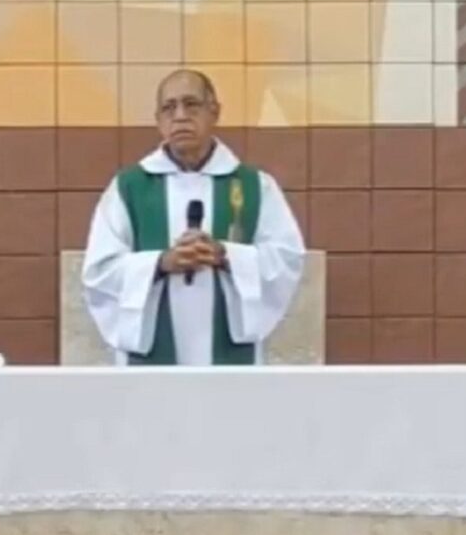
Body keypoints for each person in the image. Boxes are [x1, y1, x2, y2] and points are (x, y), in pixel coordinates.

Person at [81, 69, 306, 365]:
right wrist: (161, 263)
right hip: (152, 358)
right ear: (158, 121)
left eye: (191, 105)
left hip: (229, 356)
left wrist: (226, 255)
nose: (180, 116)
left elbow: (287, 259)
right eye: (169, 108)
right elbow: (100, 271)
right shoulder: (129, 187)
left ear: (214, 112)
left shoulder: (255, 186)